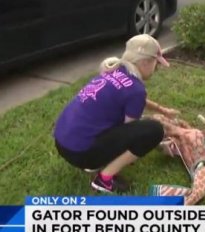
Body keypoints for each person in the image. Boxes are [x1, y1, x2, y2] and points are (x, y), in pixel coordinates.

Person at [53, 34, 180, 194]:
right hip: (80, 152)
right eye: (156, 63)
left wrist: (162, 110)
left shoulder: (113, 71)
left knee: (135, 128)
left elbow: (134, 100)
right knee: (154, 130)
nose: (156, 68)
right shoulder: (136, 90)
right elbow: (131, 131)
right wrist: (158, 142)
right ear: (145, 62)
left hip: (63, 143)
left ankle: (95, 160)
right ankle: (104, 179)